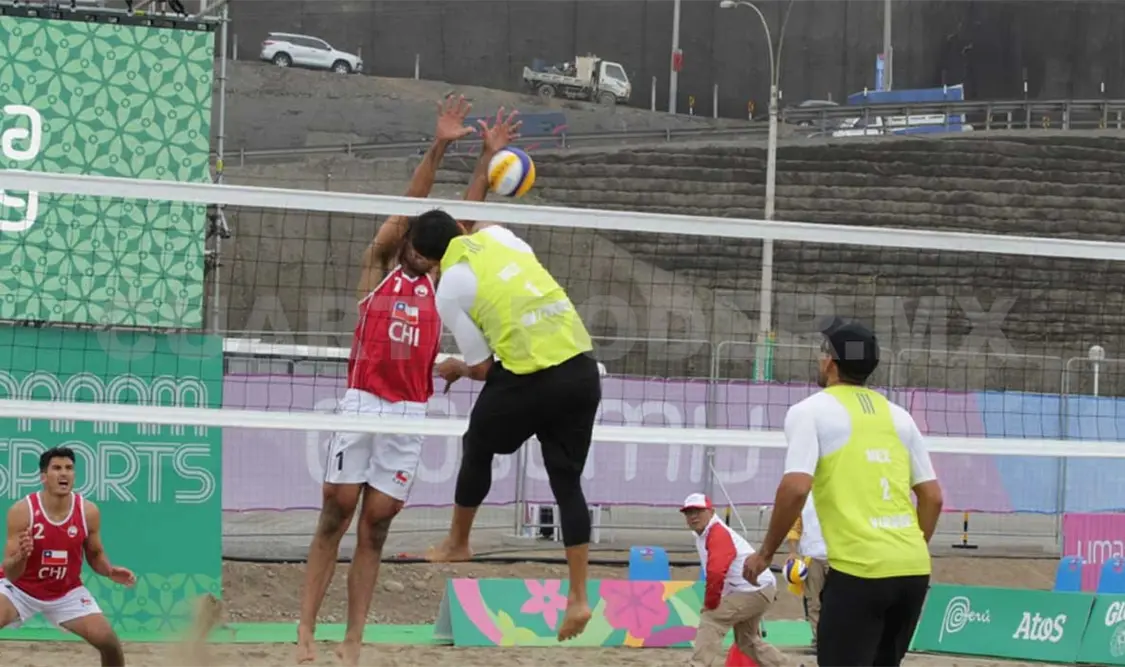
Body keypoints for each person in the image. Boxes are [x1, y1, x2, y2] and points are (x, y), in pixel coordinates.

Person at [296, 94, 481, 666]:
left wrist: (484, 163)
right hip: (362, 402)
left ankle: (353, 639)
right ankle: (304, 632)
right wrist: (441, 145)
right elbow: (407, 206)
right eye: (421, 250)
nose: (425, 258)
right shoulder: (378, 265)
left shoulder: (439, 279)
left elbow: (463, 228)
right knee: (337, 508)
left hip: (407, 411)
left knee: (375, 526)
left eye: (433, 254)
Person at [409, 133, 602, 643]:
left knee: (476, 443)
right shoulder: (501, 234)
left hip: (533, 378)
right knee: (567, 484)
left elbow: (483, 365)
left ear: (428, 260)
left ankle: (458, 541)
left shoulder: (447, 286)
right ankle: (579, 597)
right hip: (582, 368)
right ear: (459, 228)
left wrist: (453, 365)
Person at [742, 318, 944, 667]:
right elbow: (933, 498)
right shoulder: (900, 417)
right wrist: (908, 547)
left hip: (861, 572)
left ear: (830, 362)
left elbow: (796, 487)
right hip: (911, 570)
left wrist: (765, 553)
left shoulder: (810, 412)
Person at [0, 447, 137, 667]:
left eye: (69, 468)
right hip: (20, 589)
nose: (64, 473)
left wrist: (109, 571)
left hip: (66, 592)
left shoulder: (88, 511)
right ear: (43, 477)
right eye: (56, 468)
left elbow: (95, 554)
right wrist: (22, 557)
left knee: (109, 642)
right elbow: (10, 572)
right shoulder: (22, 511)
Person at [681, 493, 791, 667]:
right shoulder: (706, 534)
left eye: (698, 511)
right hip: (758, 588)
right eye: (688, 513)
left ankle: (698, 664)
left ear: (711, 511)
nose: (693, 516)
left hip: (753, 589)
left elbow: (716, 572)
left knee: (712, 618)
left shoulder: (716, 533)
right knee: (747, 642)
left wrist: (711, 602)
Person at [785, 492, 828, 650]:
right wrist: (793, 551)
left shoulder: (841, 490)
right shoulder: (804, 496)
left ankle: (837, 640)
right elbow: (795, 526)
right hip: (812, 556)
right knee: (813, 602)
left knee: (837, 602)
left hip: (838, 557)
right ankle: (820, 641)